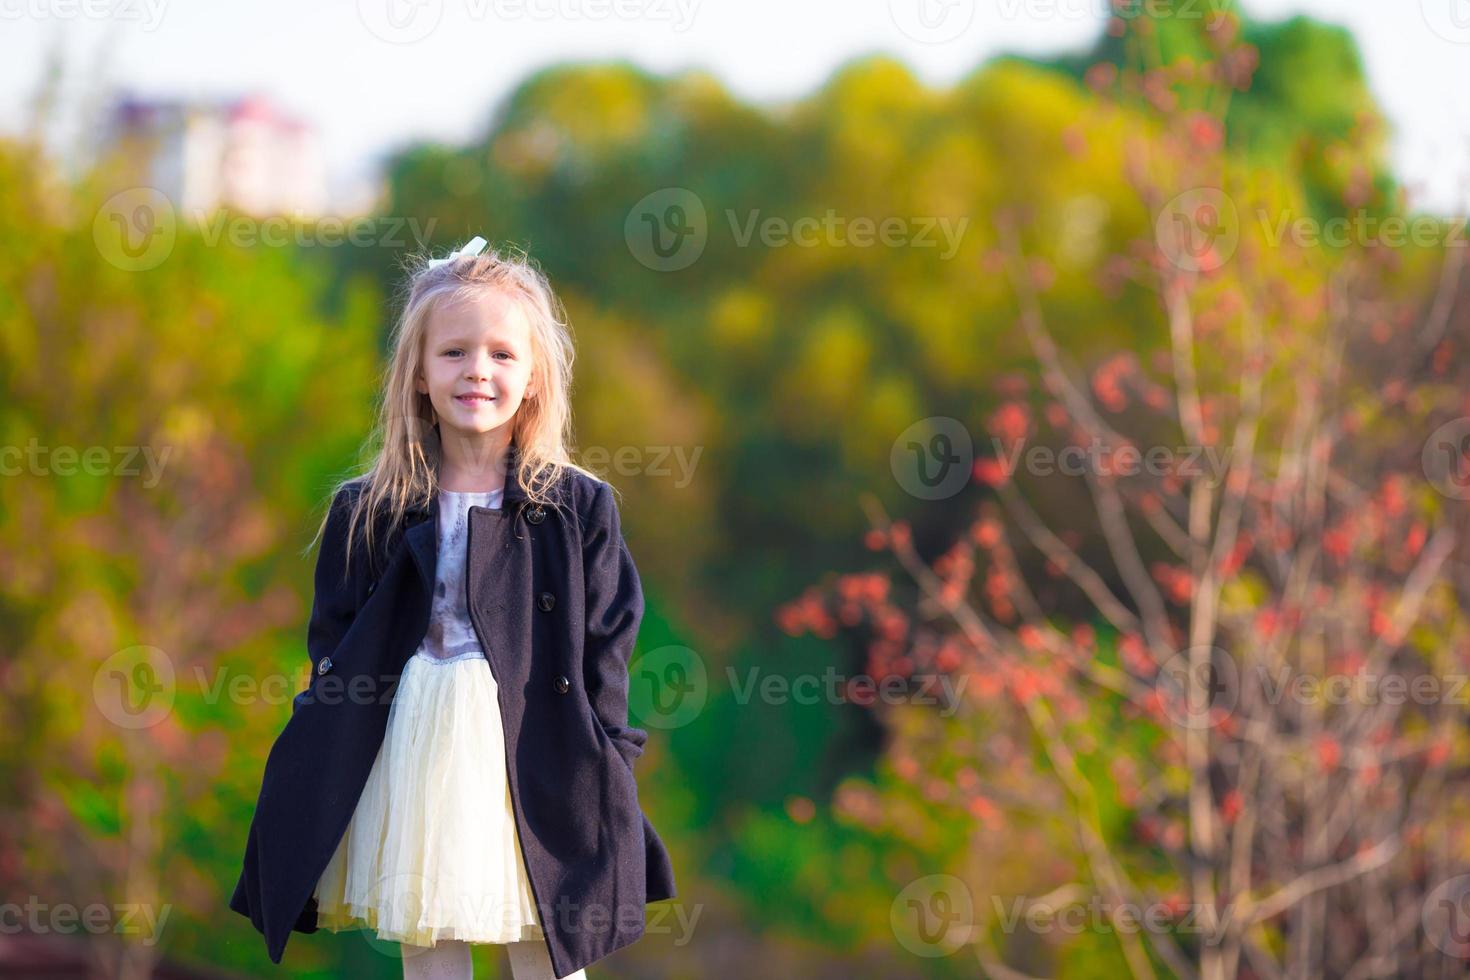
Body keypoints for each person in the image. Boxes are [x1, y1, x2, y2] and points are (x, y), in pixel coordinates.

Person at [228, 236, 677, 979]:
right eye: (454, 353)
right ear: (417, 375)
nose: (478, 371)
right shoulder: (370, 508)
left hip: (535, 739)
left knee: (545, 947)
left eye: (502, 354)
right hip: (413, 738)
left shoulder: (577, 506)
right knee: (430, 939)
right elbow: (335, 642)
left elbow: (607, 642)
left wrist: (611, 760)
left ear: (534, 377)